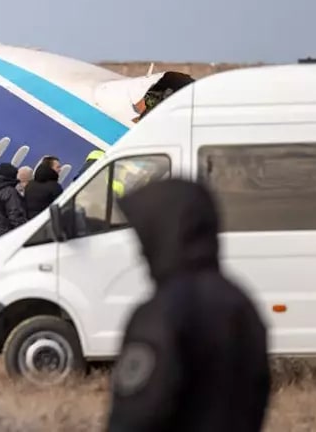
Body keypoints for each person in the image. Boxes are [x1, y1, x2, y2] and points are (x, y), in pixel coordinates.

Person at [106, 179, 270, 432]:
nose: (140, 253)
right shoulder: (241, 303)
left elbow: (137, 414)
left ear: (165, 234)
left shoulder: (161, 313)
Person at [24, 155, 63, 220]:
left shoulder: (30, 185)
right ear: (49, 168)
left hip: (30, 223)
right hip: (46, 223)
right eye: (58, 167)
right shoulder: (55, 187)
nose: (60, 170)